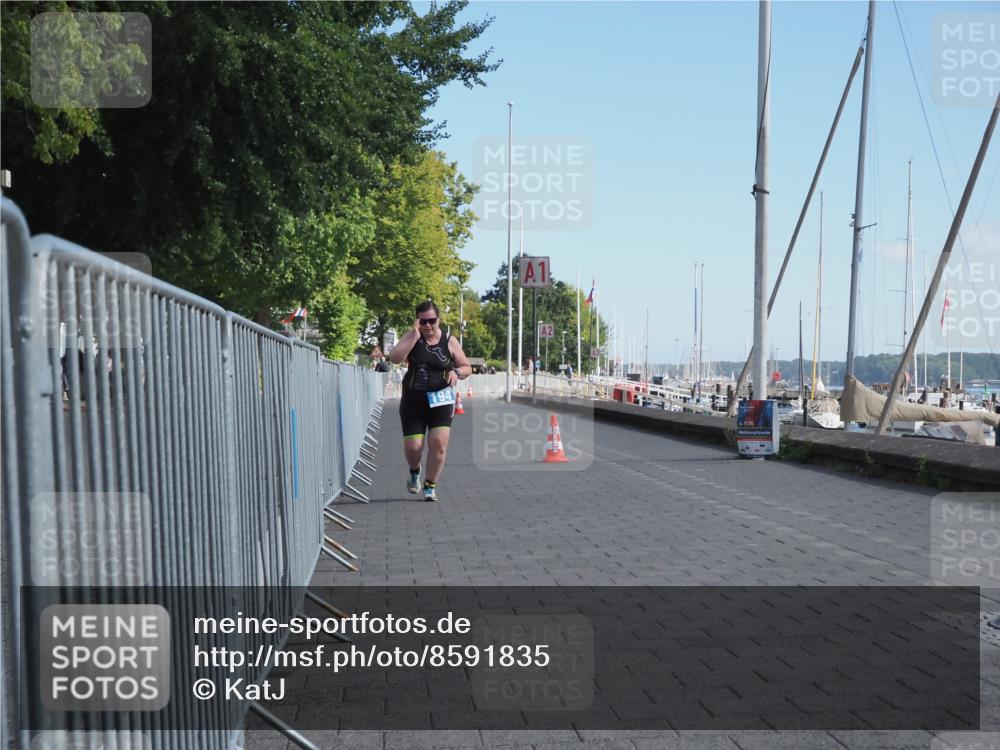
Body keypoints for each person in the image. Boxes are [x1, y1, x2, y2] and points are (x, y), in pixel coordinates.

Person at [388, 301, 471, 501]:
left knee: (438, 444)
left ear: (438, 320)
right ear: (417, 321)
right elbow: (395, 358)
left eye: (431, 321)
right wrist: (414, 336)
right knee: (414, 447)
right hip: (413, 400)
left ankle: (429, 486)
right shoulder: (412, 336)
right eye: (423, 321)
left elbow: (466, 367)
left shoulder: (449, 340)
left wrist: (456, 372)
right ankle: (414, 471)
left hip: (441, 398)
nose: (427, 325)